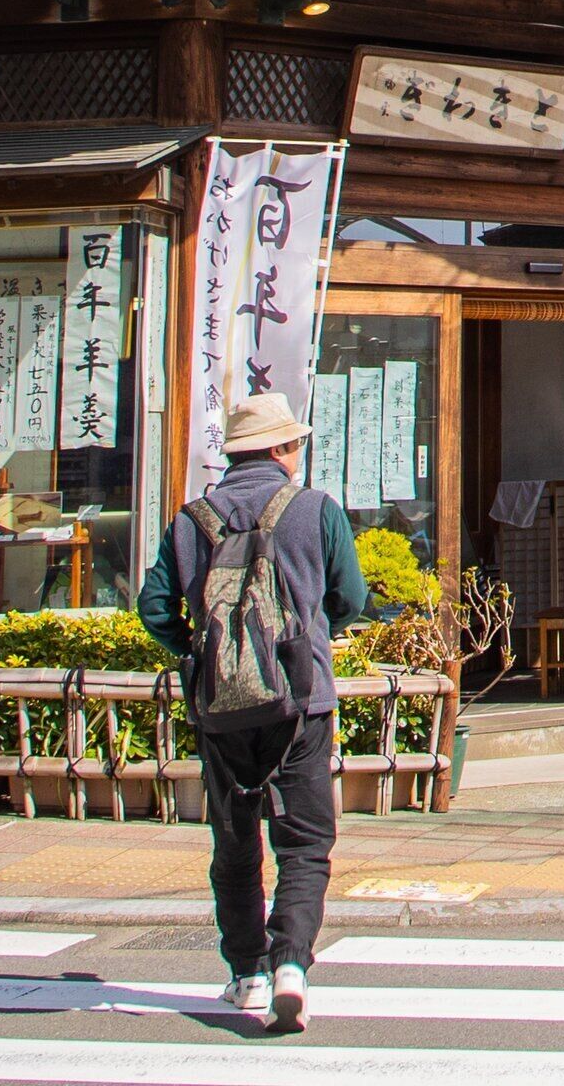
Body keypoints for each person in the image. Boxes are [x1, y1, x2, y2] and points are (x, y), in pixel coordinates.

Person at [140, 390, 374, 1033]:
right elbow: (349, 598)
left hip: (220, 706)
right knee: (305, 841)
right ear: (281, 449)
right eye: (295, 444)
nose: (298, 454)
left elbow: (154, 608)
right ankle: (291, 965)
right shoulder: (315, 510)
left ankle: (246, 973)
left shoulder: (191, 520)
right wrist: (314, 635)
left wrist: (199, 651)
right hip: (301, 699)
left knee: (235, 840)